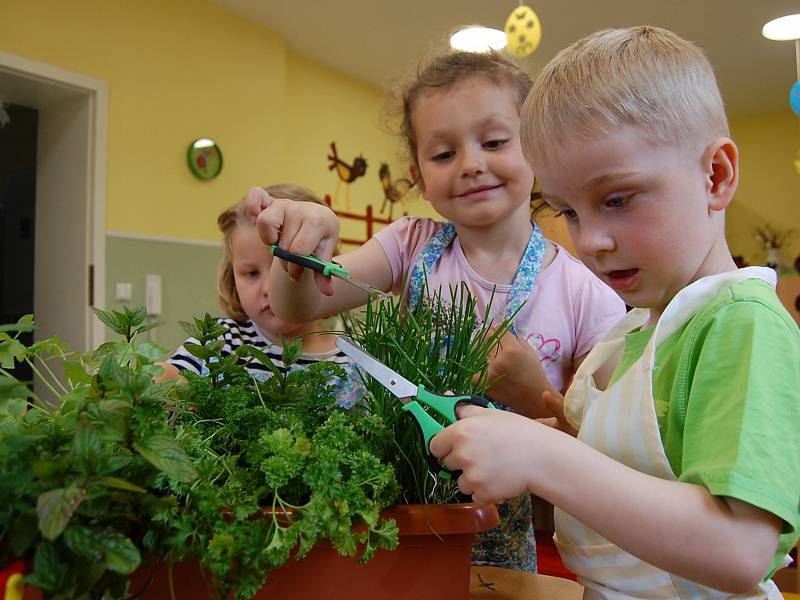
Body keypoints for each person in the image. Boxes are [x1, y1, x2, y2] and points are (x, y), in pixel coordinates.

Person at [430, 26, 800, 598]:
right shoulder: (630, 331)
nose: (591, 241)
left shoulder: (739, 319)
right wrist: (540, 428)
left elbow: (739, 549)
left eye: (618, 200)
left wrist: (544, 458)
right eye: (569, 213)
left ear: (717, 175)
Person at [244, 51, 626, 572]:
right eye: (443, 154)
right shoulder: (408, 247)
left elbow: (609, 452)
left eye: (494, 142)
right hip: (396, 513)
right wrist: (299, 242)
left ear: (537, 148)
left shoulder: (587, 295)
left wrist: (538, 395)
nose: (471, 163)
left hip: (502, 540)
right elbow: (299, 306)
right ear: (419, 176)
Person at [161, 184, 363, 408]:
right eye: (252, 273)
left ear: (325, 267)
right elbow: (168, 380)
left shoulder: (353, 357)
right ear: (232, 278)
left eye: (286, 269)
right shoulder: (219, 342)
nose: (269, 288)